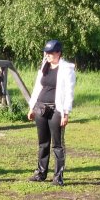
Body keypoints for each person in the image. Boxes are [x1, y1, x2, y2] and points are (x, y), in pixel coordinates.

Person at [26, 39, 76, 186]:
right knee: (43, 143)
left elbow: (69, 92)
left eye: (50, 53)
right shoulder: (44, 67)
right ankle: (41, 172)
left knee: (58, 144)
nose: (47, 55)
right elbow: (37, 87)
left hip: (57, 109)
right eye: (46, 53)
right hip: (41, 108)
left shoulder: (67, 69)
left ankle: (58, 176)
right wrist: (32, 107)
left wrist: (66, 113)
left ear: (58, 53)